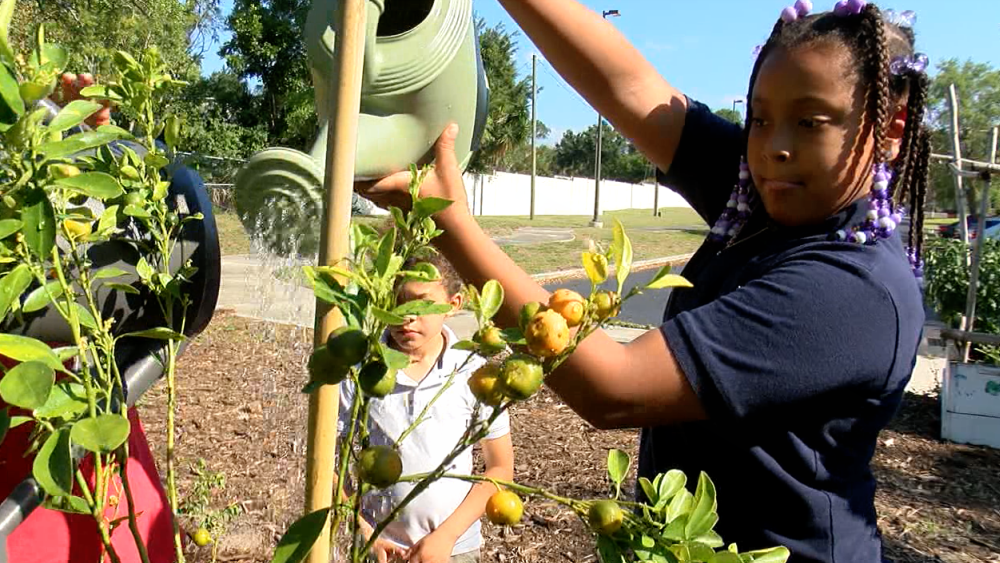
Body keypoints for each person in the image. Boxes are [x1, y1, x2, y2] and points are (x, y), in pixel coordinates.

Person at [356, 1, 930, 562]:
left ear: (890, 127)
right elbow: (630, 88)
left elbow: (615, 388)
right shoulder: (767, 192)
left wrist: (447, 220)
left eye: (810, 121)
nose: (773, 147)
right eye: (758, 117)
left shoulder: (854, 291)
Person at [338, 253, 514, 563]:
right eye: (397, 302)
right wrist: (363, 530)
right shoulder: (362, 370)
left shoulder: (476, 374)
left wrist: (445, 537)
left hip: (453, 550)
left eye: (422, 304)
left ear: (454, 304)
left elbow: (500, 467)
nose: (407, 317)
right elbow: (327, 462)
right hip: (375, 548)